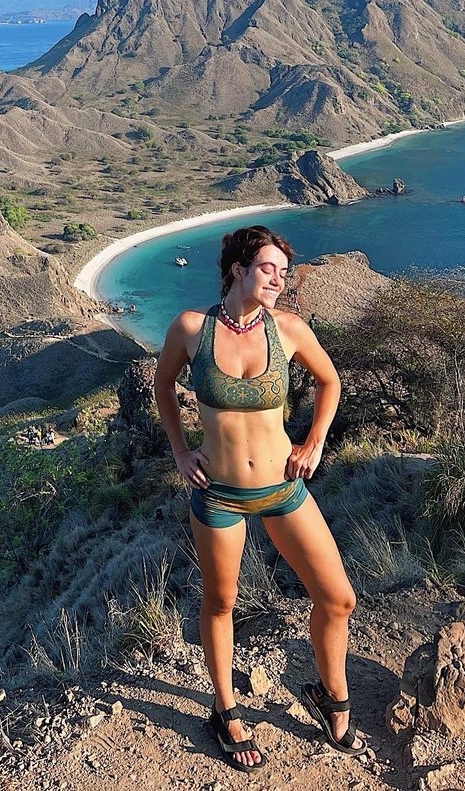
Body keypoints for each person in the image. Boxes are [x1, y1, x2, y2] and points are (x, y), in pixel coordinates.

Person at [153, 224, 365, 774]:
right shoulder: (191, 329)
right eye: (268, 269)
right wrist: (180, 451)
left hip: (283, 487)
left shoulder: (288, 329)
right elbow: (163, 387)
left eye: (283, 272)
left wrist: (314, 442)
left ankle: (331, 697)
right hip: (218, 493)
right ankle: (225, 711)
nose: (278, 280)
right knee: (222, 603)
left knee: (338, 598)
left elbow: (331, 381)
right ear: (238, 270)